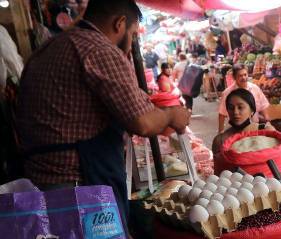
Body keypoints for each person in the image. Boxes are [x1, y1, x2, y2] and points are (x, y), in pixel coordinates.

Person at [15, 0, 191, 221]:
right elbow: (143, 122)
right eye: (134, 33)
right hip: (79, 186)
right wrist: (171, 114)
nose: (132, 42)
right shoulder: (99, 49)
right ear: (120, 23)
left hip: (40, 185)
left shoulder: (51, 46)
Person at [212, 88, 274, 155]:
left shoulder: (267, 132)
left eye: (240, 107)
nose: (235, 112)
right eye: (231, 108)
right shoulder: (220, 141)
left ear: (252, 111)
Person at [218, 64, 270, 133]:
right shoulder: (227, 93)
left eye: (245, 75)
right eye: (240, 76)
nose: (244, 78)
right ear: (234, 77)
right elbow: (222, 113)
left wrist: (267, 121)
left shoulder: (255, 88)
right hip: (236, 130)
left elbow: (263, 106)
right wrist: (220, 131)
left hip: (254, 127)